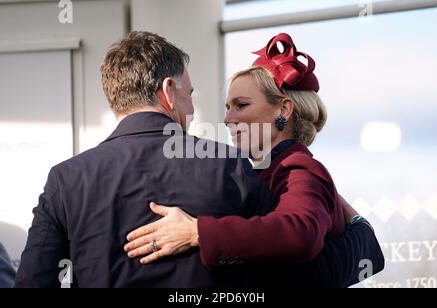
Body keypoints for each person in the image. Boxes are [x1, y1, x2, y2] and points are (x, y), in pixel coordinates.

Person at [15, 31, 276, 288]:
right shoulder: (228, 164)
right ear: (168, 90)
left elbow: (33, 280)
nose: (193, 110)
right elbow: (279, 258)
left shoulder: (66, 179)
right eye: (190, 95)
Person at [124, 33, 385, 287]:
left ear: (283, 110)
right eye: (227, 108)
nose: (227, 119)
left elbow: (301, 233)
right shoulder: (270, 169)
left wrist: (197, 233)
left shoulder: (298, 168)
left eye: (241, 105)